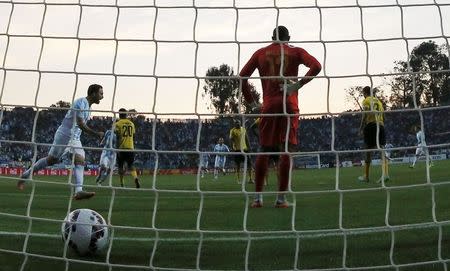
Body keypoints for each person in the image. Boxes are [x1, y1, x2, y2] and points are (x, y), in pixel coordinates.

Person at [239, 25, 322, 208]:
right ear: (289, 37)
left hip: (268, 106)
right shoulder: (296, 51)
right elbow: (317, 66)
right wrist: (298, 85)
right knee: (286, 150)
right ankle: (281, 199)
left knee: (264, 149)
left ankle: (258, 199)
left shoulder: (261, 52)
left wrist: (252, 102)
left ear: (272, 37)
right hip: (289, 106)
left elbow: (241, 77)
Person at [18, 84, 104, 200]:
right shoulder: (80, 102)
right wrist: (96, 134)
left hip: (75, 138)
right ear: (93, 93)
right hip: (65, 135)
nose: (102, 97)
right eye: (101, 93)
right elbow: (80, 124)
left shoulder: (89, 108)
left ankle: (79, 191)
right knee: (51, 160)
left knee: (80, 159)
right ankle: (25, 175)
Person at [357, 86, 390, 183]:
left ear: (365, 93)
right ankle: (385, 174)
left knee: (368, 151)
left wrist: (361, 128)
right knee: (382, 150)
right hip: (381, 125)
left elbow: (365, 115)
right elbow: (384, 116)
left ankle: (366, 176)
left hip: (371, 126)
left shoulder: (366, 100)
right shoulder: (379, 101)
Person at [115, 108, 140, 188]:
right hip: (130, 147)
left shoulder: (117, 124)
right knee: (131, 165)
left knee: (120, 166)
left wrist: (117, 148)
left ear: (119, 115)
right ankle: (135, 178)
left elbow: (117, 136)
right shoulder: (131, 124)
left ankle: (122, 183)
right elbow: (134, 136)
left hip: (121, 148)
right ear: (126, 114)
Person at [229, 119, 253, 184]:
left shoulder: (243, 129)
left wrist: (249, 147)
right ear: (235, 124)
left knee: (249, 164)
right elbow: (231, 140)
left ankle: (250, 179)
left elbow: (246, 138)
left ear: (240, 123)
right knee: (238, 165)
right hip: (237, 150)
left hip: (245, 149)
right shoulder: (232, 131)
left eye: (238, 123)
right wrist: (231, 148)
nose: (238, 124)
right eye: (236, 123)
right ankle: (238, 180)